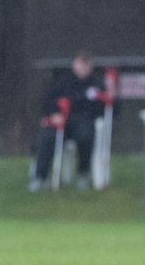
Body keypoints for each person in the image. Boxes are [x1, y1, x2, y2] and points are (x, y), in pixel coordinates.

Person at [29, 52, 109, 192]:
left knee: (85, 137)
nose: (81, 70)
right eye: (79, 67)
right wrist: (53, 114)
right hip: (62, 122)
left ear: (90, 67)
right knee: (48, 137)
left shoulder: (97, 83)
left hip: (84, 122)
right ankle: (40, 176)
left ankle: (83, 173)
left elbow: (106, 106)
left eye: (84, 67)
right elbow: (48, 100)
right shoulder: (64, 82)